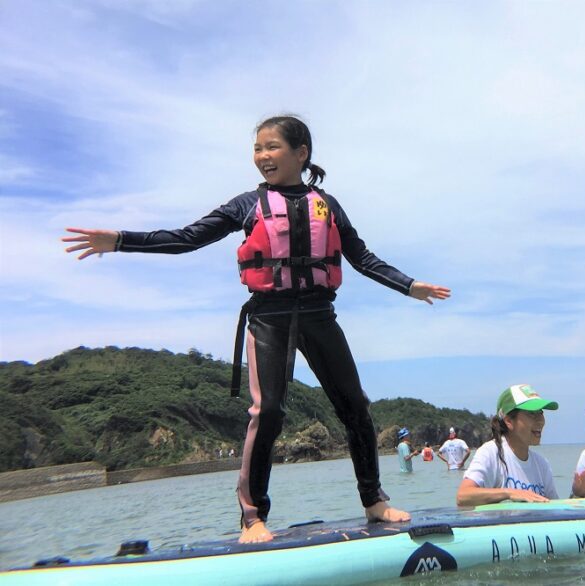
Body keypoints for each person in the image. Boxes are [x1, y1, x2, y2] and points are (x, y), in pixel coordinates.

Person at [62, 115, 451, 543]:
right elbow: (188, 237)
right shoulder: (247, 204)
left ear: (301, 153)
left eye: (272, 147)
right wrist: (119, 240)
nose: (262, 156)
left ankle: (374, 501)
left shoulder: (329, 205)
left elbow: (362, 257)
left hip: (320, 314)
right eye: (258, 149)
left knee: (355, 406)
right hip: (270, 316)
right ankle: (252, 517)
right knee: (267, 413)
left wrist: (409, 285)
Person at [457, 384, 559, 506]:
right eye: (532, 413)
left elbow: (555, 507)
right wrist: (509, 493)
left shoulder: (542, 464)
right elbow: (463, 496)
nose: (540, 420)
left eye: (540, 413)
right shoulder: (490, 453)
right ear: (509, 421)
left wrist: (579, 492)